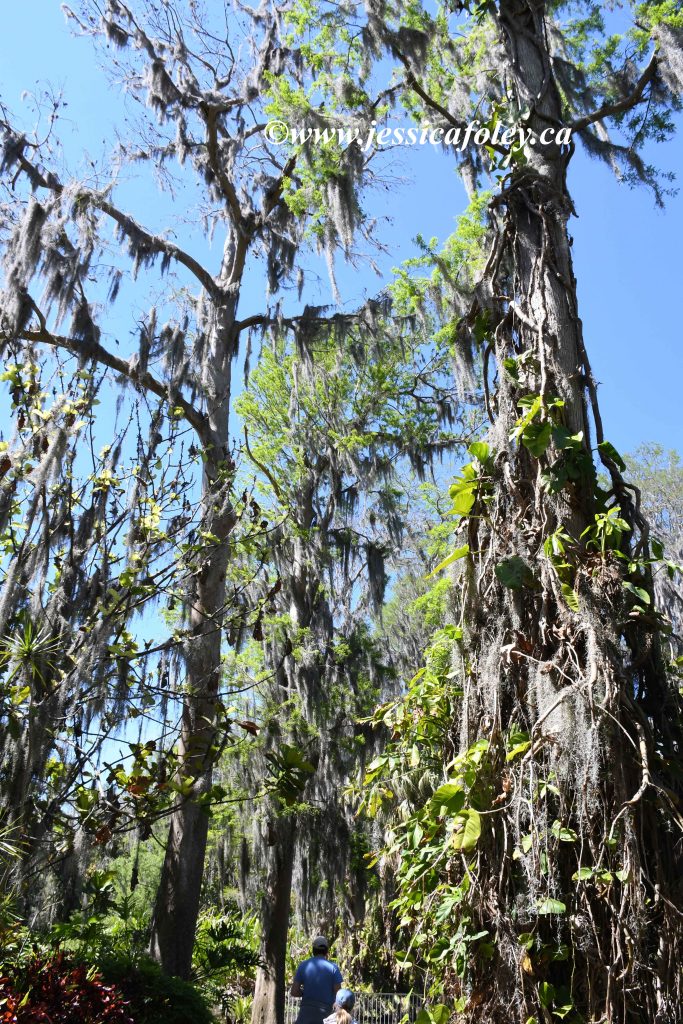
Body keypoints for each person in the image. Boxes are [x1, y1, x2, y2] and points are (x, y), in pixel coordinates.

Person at [290, 936, 343, 1024]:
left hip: (305, 1015)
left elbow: (294, 991)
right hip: (325, 1015)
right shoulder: (333, 968)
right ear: (326, 951)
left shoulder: (303, 965)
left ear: (313, 950)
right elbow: (339, 995)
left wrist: (304, 993)